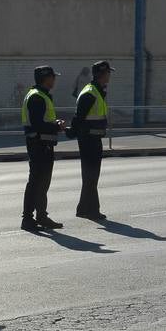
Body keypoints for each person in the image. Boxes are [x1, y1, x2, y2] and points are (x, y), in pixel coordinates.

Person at [21, 65, 69, 231]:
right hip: (39, 145)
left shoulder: (41, 95)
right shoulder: (37, 97)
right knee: (35, 183)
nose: (55, 79)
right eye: (53, 77)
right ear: (46, 78)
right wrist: (57, 126)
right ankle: (28, 219)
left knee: (42, 183)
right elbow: (38, 124)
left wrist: (54, 125)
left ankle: (41, 216)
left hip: (44, 145)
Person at [72, 60, 112, 220]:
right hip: (89, 139)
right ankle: (92, 210)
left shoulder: (96, 90)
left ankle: (83, 208)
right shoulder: (90, 92)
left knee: (90, 176)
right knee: (91, 176)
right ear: (103, 74)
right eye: (108, 73)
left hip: (93, 138)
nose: (110, 76)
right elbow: (79, 117)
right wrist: (72, 132)